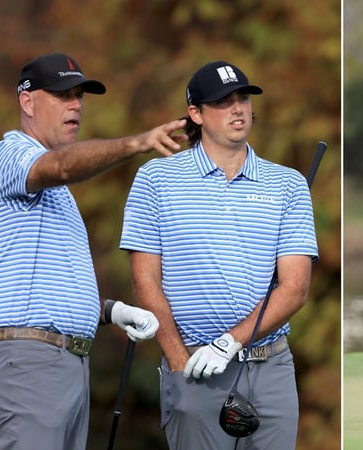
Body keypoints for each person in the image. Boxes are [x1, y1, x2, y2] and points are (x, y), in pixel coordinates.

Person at [0, 52, 190, 449]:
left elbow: (47, 282)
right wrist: (137, 142)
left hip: (63, 364)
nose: (75, 105)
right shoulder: (5, 157)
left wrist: (110, 311)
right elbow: (63, 166)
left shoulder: (56, 195)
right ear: (27, 101)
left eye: (79, 96)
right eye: (62, 95)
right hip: (28, 362)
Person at [120, 60, 318, 449]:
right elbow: (146, 283)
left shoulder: (288, 184)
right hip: (193, 368)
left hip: (270, 368)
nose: (238, 109)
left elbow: (294, 288)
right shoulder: (155, 180)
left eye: (242, 98)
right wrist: (178, 366)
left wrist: (230, 342)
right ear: (195, 113)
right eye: (223, 102)